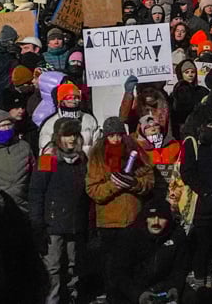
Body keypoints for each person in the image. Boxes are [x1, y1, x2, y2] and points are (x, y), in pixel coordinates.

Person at [86, 116, 155, 301]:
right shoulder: (97, 156)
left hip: (133, 220)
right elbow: (93, 191)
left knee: (134, 267)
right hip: (109, 223)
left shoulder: (136, 152)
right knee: (112, 271)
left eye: (119, 135)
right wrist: (115, 185)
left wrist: (134, 183)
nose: (116, 139)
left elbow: (149, 181)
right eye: (111, 136)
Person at [29, 117, 89, 304]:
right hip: (52, 223)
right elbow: (37, 192)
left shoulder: (82, 160)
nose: (71, 139)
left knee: (74, 264)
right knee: (52, 267)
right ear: (58, 137)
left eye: (74, 134)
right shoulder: (49, 159)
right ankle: (51, 300)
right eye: (66, 135)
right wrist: (37, 222)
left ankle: (72, 297)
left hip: (75, 222)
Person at [180, 103, 212, 290]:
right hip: (200, 202)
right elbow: (188, 172)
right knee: (202, 243)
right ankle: (201, 282)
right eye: (209, 124)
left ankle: (208, 280)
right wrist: (204, 191)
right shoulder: (191, 142)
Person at [109, 199, 191, 304]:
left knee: (191, 297)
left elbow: (180, 268)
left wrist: (174, 287)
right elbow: (118, 273)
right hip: (135, 289)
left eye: (161, 218)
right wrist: (138, 295)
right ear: (145, 218)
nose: (156, 222)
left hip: (163, 287)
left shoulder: (177, 235)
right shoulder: (129, 236)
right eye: (152, 217)